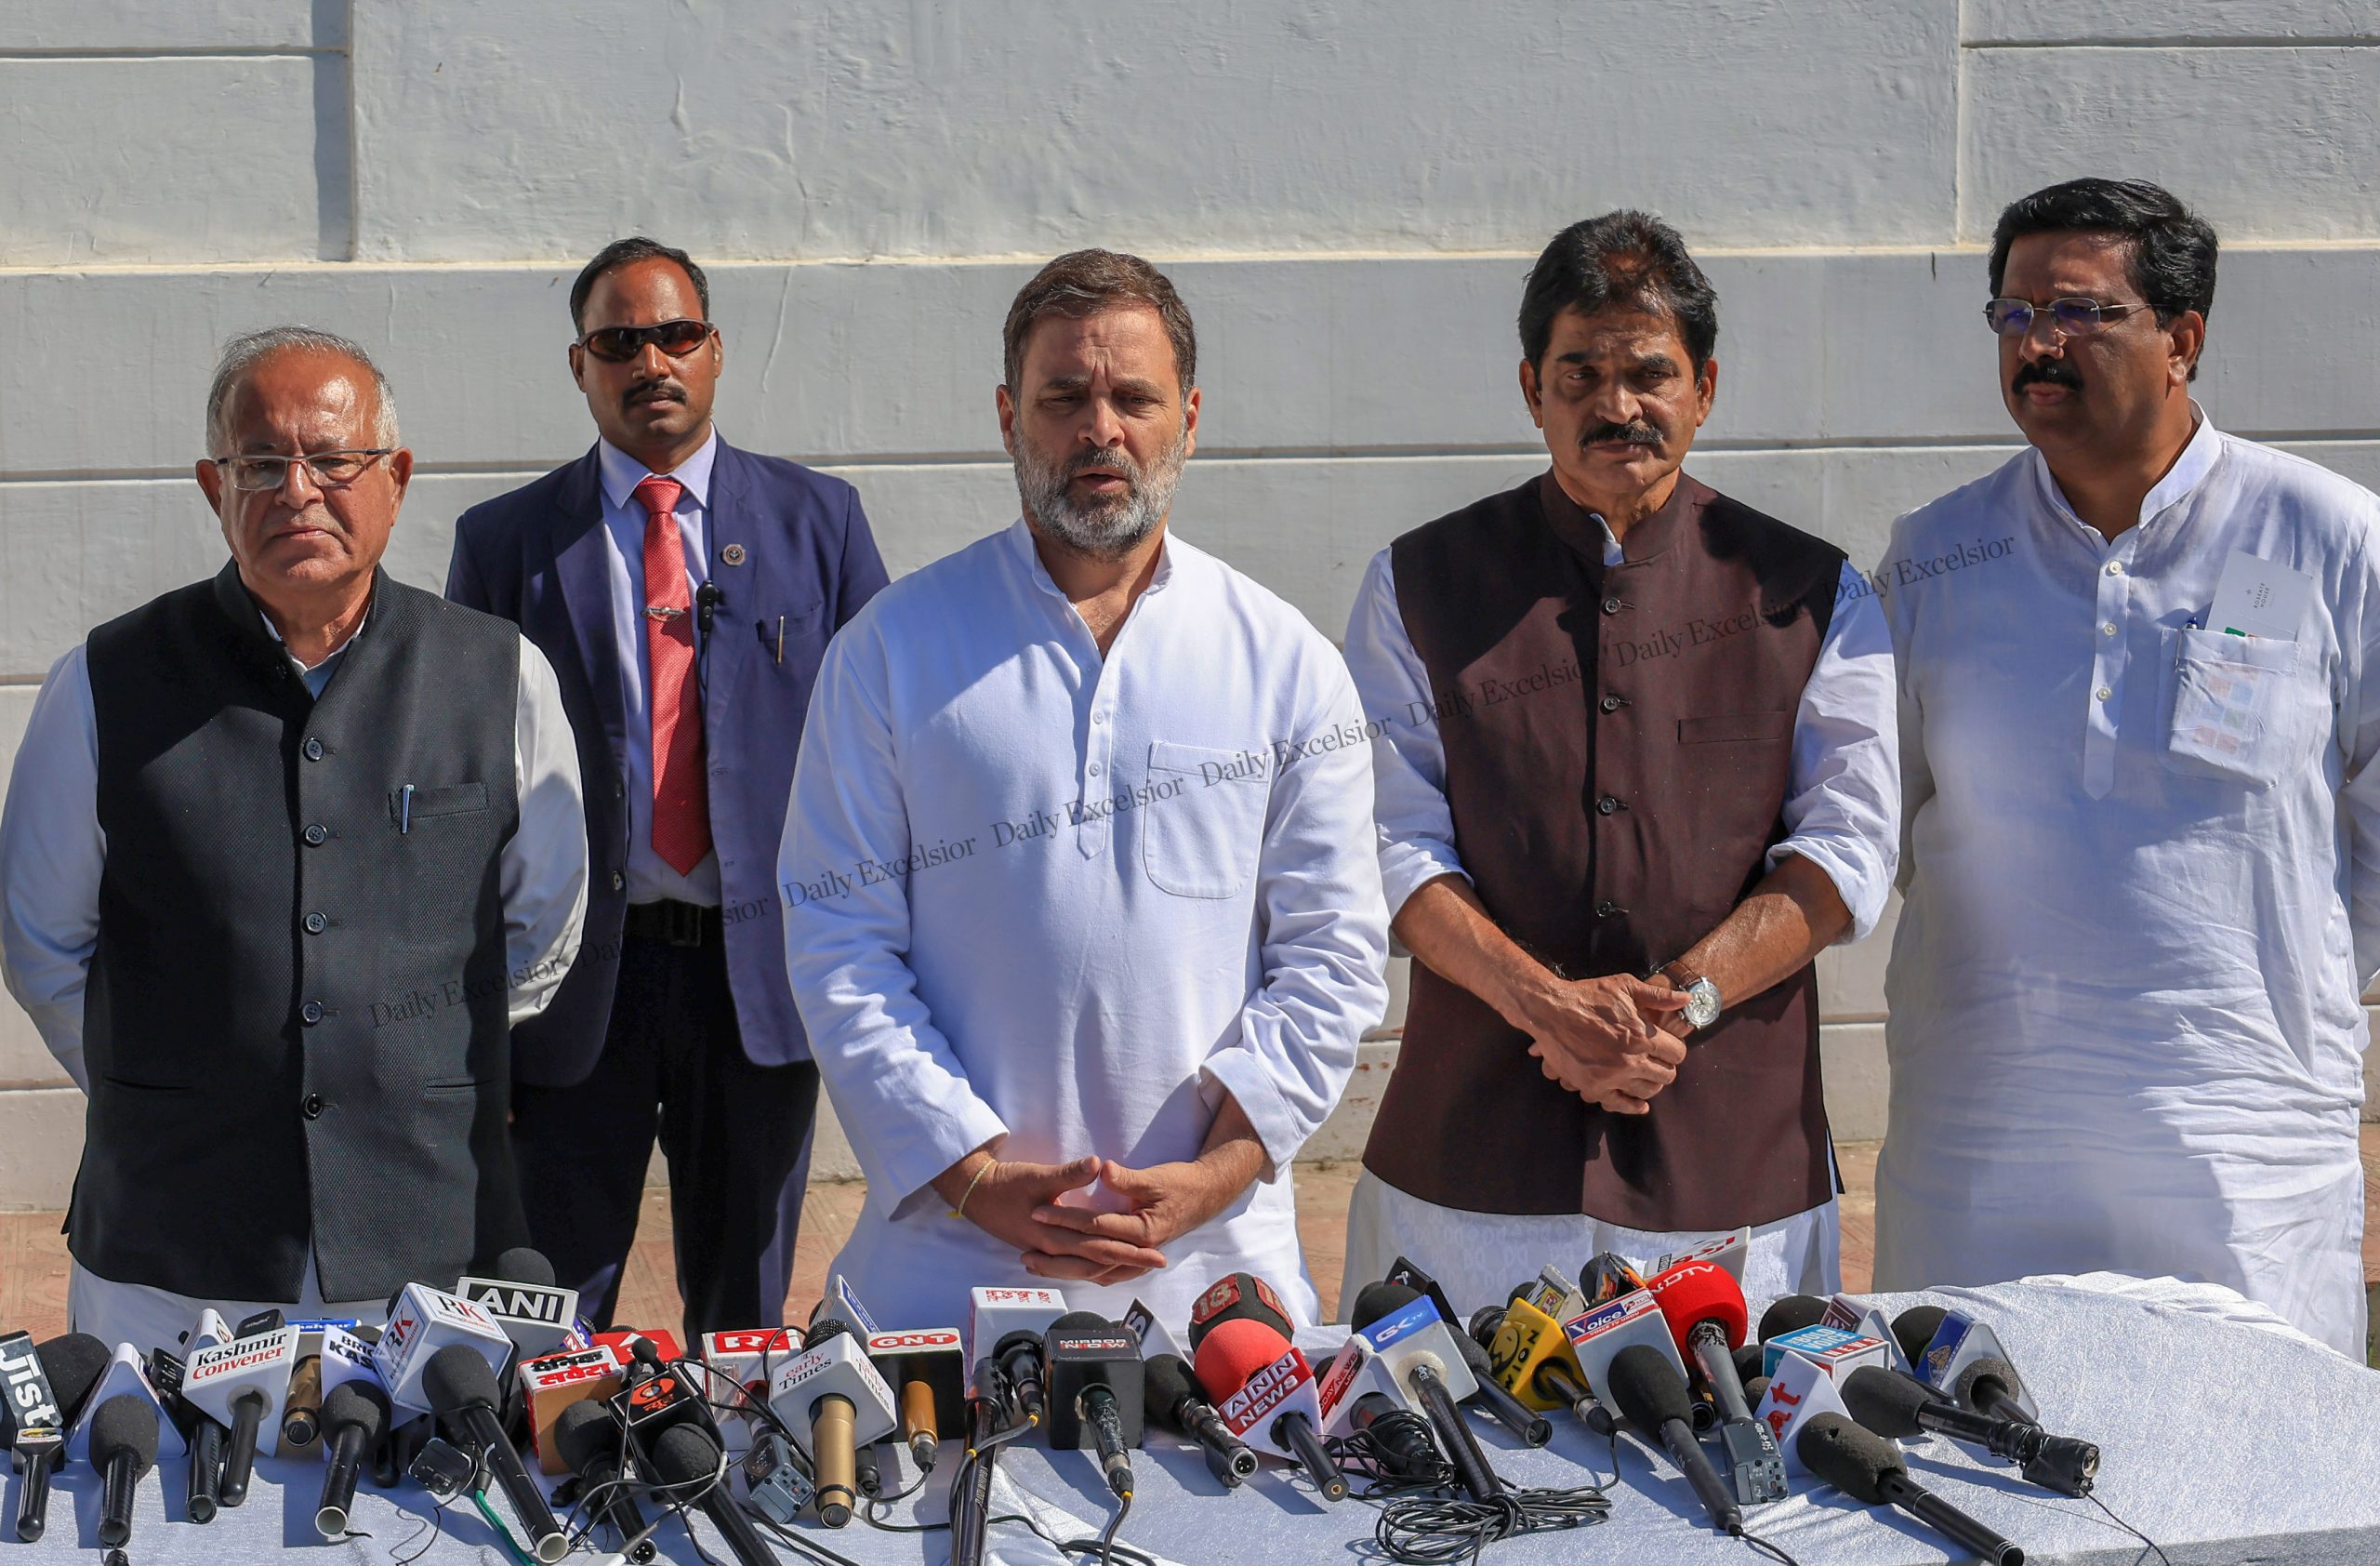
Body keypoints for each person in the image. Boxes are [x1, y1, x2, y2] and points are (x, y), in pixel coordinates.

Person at [779, 249, 1388, 1329]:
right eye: (1063, 398)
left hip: (1218, 1289)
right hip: (945, 1277)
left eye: (1133, 398)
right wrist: (974, 1177)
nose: (1099, 428)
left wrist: (1210, 1177)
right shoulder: (892, 651)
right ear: (1008, 417)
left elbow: (1332, 958)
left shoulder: (1285, 664)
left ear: (1188, 418)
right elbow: (839, 943)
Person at [1338, 213, 1898, 1313]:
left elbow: (1847, 850)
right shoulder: (1416, 583)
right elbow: (1388, 842)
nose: (1617, 405)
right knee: (1445, 1428)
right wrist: (1543, 1003)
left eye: (1649, 372)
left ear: (1704, 387)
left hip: (1734, 1175)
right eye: (1580, 374)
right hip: (1469, 1171)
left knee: (1738, 1424)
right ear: (1530, 389)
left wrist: (1677, 1005)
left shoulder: (1810, 592)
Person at [0, 327, 586, 1353]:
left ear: (396, 477)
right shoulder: (101, 682)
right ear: (212, 487)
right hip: (169, 1260)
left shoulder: (501, 676)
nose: (298, 491)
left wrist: (400, 1066)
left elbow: (542, 929)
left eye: (334, 459)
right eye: (261, 463)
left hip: (429, 1245)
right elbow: (42, 939)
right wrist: (171, 1084)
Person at [1873, 179, 2376, 1356]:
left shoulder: (2326, 538)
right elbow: (1881, 817)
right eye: (2012, 315)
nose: (2036, 345)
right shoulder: (1939, 556)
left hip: (2242, 1141)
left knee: (2253, 1442)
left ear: (2182, 339)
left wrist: (2272, 967)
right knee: (1967, 1428)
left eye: (2079, 313)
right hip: (1980, 1133)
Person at [448, 237, 889, 1339]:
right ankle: (566, 1451)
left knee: (744, 1313)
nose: (651, 362)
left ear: (716, 350)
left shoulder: (819, 523)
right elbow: (464, 789)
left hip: (755, 980)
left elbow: (884, 753)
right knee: (550, 1310)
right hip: (574, 984)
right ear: (580, 365)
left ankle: (732, 1450)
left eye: (675, 335)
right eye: (619, 342)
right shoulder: (505, 544)